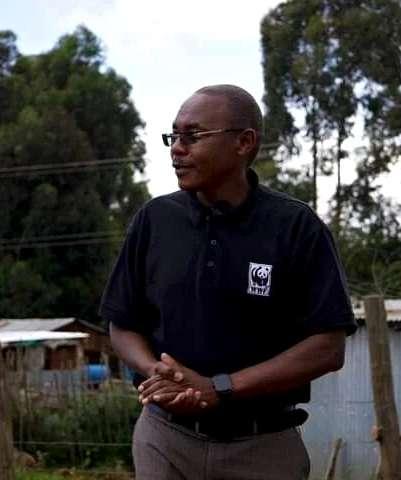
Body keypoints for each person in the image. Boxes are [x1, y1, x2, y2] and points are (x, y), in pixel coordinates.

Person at [99, 84, 357, 480]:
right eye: (174, 136)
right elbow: (122, 323)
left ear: (244, 142)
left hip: (262, 447)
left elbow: (328, 348)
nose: (177, 149)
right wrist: (156, 371)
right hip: (164, 440)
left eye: (193, 136)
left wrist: (219, 387)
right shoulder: (154, 220)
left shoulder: (295, 227)